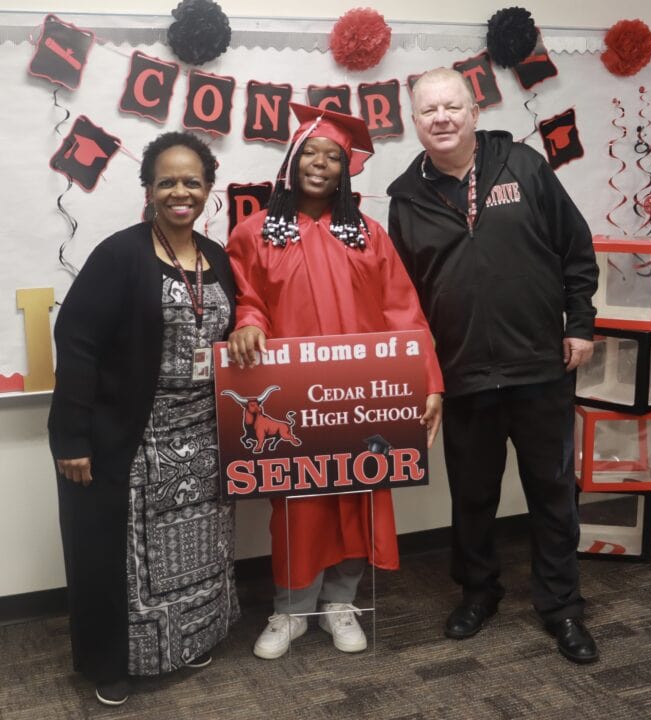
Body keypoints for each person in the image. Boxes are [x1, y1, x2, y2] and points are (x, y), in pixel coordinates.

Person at [387, 68, 600, 664]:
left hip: (539, 366)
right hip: (462, 377)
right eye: (429, 111)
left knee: (552, 493)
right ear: (415, 122)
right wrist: (423, 374)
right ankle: (479, 592)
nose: (442, 118)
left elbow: (576, 249)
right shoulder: (405, 199)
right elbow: (403, 297)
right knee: (473, 496)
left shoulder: (526, 168)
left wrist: (580, 324)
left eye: (451, 106)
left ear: (474, 111)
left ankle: (561, 607)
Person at [226, 103, 444, 660]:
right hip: (299, 399)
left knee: (359, 496)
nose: (319, 165)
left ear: (346, 171)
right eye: (310, 154)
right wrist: (249, 324)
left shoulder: (367, 235)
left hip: (362, 395)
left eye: (332, 158)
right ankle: (292, 610)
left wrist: (428, 383)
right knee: (296, 507)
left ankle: (339, 603)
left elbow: (404, 313)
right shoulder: (254, 233)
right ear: (292, 161)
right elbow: (245, 299)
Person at [48, 131, 240, 706]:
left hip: (205, 439)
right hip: (134, 442)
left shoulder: (217, 255)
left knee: (203, 549)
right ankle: (113, 664)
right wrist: (72, 437)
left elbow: (235, 323)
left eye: (192, 181)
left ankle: (191, 641)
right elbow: (76, 341)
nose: (180, 191)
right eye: (167, 181)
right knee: (125, 566)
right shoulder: (120, 253)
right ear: (149, 188)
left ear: (208, 188)